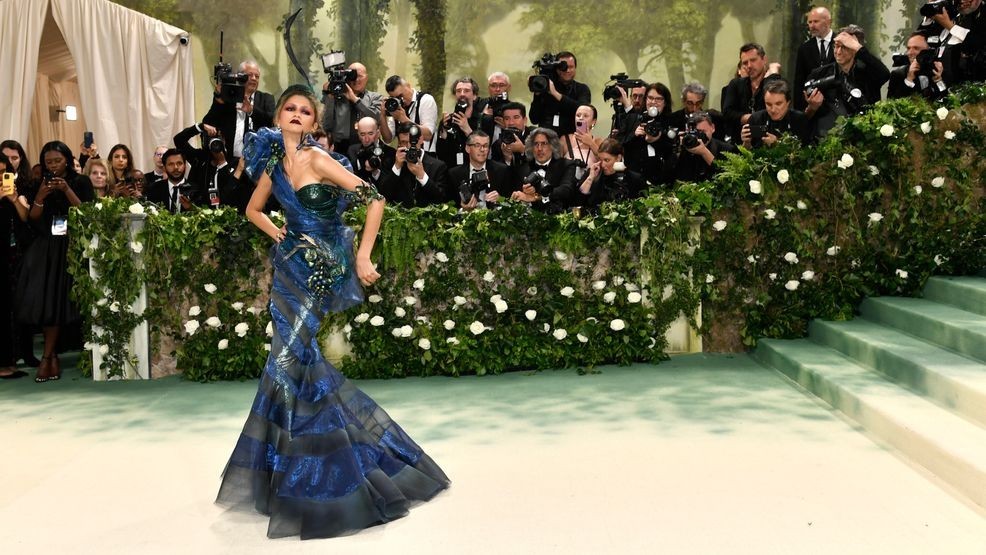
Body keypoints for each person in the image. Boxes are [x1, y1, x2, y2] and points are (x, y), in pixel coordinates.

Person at [216, 85, 449, 539]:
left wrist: (362, 257)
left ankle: (327, 477)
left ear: (314, 121)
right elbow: (251, 209)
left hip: (321, 271)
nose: (298, 115)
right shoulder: (274, 165)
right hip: (288, 270)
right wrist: (277, 232)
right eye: (290, 109)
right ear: (279, 115)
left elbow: (375, 199)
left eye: (306, 110)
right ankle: (290, 476)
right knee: (288, 365)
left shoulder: (319, 160)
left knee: (290, 361)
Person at [16, 142, 94, 382]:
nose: (53, 166)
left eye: (57, 161)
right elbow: (32, 218)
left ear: (68, 160)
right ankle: (49, 357)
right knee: (49, 302)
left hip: (72, 247)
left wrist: (67, 190)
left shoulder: (81, 182)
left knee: (62, 302)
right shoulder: (37, 183)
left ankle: (50, 357)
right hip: (46, 249)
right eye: (48, 162)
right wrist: (40, 195)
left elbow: (87, 213)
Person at [204, 61, 276, 162]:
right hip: (229, 161)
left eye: (257, 76)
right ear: (239, 77)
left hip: (257, 163)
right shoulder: (228, 98)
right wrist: (218, 102)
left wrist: (251, 110)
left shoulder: (266, 99)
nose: (254, 78)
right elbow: (209, 123)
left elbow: (272, 122)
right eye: (250, 75)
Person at [0, 152, 30, 379]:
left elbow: (25, 218)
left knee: (11, 309)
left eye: (3, 172)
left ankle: (9, 361)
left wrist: (12, 199)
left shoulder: (13, 194)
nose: (1, 177)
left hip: (13, 258)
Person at [321, 62, 382, 155]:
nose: (356, 80)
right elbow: (325, 124)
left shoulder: (375, 97)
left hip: (367, 147)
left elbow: (377, 118)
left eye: (360, 76)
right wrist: (329, 98)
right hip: (339, 148)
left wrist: (354, 99)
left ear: (366, 78)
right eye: (352, 76)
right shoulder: (336, 98)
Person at [529, 51, 591, 136]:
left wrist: (555, 93)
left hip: (573, 140)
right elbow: (534, 119)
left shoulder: (582, 89)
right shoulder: (545, 89)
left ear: (575, 68)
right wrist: (537, 95)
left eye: (571, 67)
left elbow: (582, 112)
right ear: (557, 69)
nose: (567, 70)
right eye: (564, 67)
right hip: (547, 142)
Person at [576, 139, 646, 211]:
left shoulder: (634, 179)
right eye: (600, 159)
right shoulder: (593, 173)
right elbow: (578, 202)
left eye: (607, 160)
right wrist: (590, 178)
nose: (602, 165)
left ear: (618, 158)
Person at [741, 79, 812, 148]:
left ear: (788, 102)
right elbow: (747, 154)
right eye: (768, 104)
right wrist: (746, 143)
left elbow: (805, 155)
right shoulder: (756, 119)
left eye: (778, 104)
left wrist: (778, 144)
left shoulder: (799, 120)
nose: (773, 110)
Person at [794, 6, 836, 110]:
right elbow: (799, 81)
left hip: (838, 105)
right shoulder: (804, 49)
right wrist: (800, 112)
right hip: (813, 107)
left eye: (816, 21)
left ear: (828, 22)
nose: (812, 26)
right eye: (810, 22)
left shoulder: (841, 43)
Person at [888, 33, 948, 100]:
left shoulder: (939, 70)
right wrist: (909, 80)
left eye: (916, 48)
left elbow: (946, 99)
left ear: (929, 51)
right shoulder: (898, 74)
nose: (909, 53)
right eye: (908, 48)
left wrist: (938, 80)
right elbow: (892, 103)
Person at [558, 104, 603, 186]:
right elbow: (557, 166)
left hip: (591, 187)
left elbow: (605, 162)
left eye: (586, 116)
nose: (581, 118)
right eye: (578, 115)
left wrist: (591, 143)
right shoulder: (565, 139)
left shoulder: (599, 142)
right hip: (568, 186)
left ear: (593, 121)